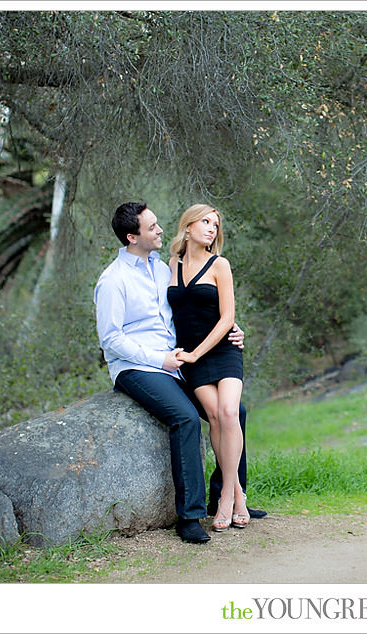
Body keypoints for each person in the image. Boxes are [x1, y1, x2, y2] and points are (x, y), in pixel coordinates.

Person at [94, 202, 262, 544]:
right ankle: (189, 515)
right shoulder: (113, 280)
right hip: (138, 367)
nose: (159, 230)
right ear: (132, 236)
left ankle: (228, 496)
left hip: (179, 361)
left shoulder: (162, 268)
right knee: (186, 418)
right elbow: (111, 340)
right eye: (152, 227)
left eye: (157, 224)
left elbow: (192, 308)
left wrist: (231, 327)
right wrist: (159, 360)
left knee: (235, 412)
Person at [167, 204, 248, 532]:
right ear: (187, 227)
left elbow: (227, 317)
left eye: (216, 224)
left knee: (230, 411)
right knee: (213, 415)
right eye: (205, 222)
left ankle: (227, 495)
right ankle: (239, 491)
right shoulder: (172, 264)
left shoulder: (221, 265)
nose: (212, 228)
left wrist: (196, 354)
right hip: (190, 356)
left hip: (220, 351)